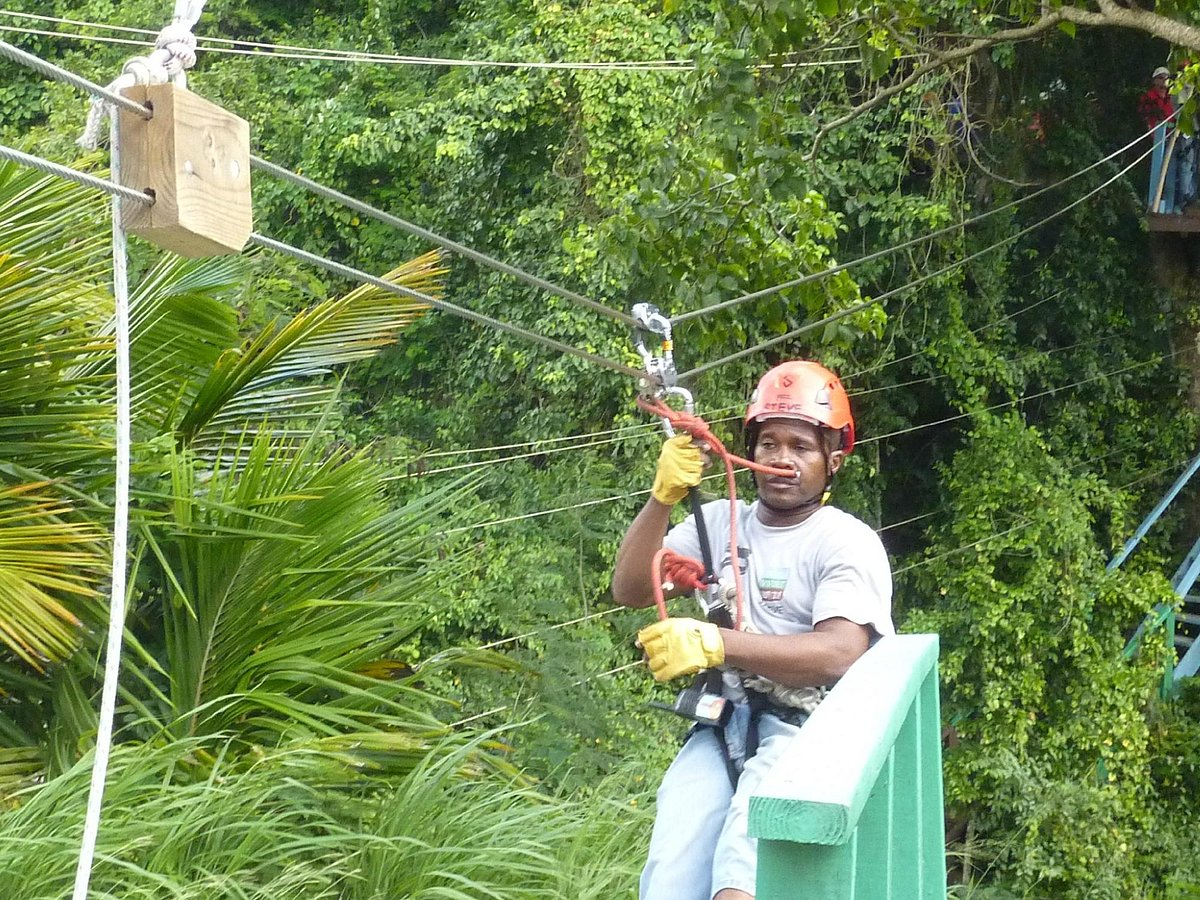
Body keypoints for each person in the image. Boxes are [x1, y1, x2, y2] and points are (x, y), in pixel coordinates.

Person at [612, 360, 894, 900]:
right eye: (768, 443)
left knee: (743, 871)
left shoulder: (844, 542)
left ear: (833, 460)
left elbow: (840, 652)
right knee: (671, 871)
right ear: (750, 451)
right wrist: (662, 498)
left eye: (801, 446)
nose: (781, 459)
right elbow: (628, 588)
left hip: (807, 728)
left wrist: (716, 642)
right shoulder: (717, 521)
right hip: (724, 721)